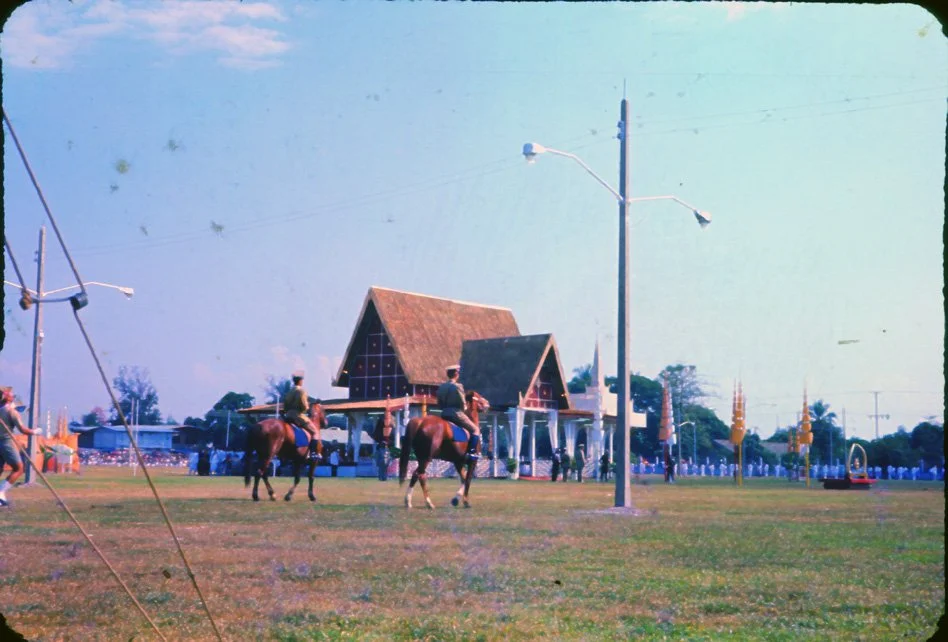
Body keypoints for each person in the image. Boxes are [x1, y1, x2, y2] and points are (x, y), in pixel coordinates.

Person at [0, 387, 37, 507]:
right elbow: (22, 429)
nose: (12, 394)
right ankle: (0, 493)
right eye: (9, 393)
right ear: (5, 396)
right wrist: (35, 432)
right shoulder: (11, 412)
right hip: (6, 442)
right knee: (19, 468)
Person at [436, 365, 481, 462]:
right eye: (458, 372)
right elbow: (462, 402)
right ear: (456, 374)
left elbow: (439, 403)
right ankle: (471, 453)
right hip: (456, 413)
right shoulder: (458, 386)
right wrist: (465, 408)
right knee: (475, 430)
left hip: (444, 413)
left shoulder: (442, 387)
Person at [283, 372, 319, 461]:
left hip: (288, 415)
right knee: (315, 432)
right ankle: (313, 453)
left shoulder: (290, 391)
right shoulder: (301, 391)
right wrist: (307, 407)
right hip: (298, 415)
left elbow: (285, 405)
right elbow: (303, 405)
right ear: (300, 381)